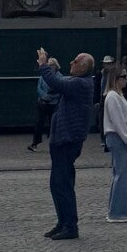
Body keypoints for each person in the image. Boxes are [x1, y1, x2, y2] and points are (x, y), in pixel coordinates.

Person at [36, 49, 97, 239]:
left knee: (62, 183)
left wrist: (43, 65)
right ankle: (63, 222)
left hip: (67, 139)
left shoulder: (81, 83)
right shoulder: (78, 81)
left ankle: (70, 226)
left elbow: (57, 83)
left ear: (83, 68)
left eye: (75, 61)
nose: (71, 62)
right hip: (62, 139)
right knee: (57, 183)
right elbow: (58, 83)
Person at [102, 65, 127, 221]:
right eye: (123, 76)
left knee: (120, 174)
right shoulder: (113, 97)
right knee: (123, 176)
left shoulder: (117, 96)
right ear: (115, 79)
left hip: (119, 136)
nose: (126, 79)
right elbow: (118, 121)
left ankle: (116, 210)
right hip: (119, 137)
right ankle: (118, 213)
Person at [29, 58, 56, 150]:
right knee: (39, 123)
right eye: (49, 65)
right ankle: (34, 143)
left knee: (53, 124)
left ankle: (55, 143)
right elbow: (38, 88)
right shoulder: (42, 76)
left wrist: (50, 97)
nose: (50, 67)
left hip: (53, 104)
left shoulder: (58, 77)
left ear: (55, 66)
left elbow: (59, 89)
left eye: (51, 65)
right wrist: (44, 96)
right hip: (42, 103)